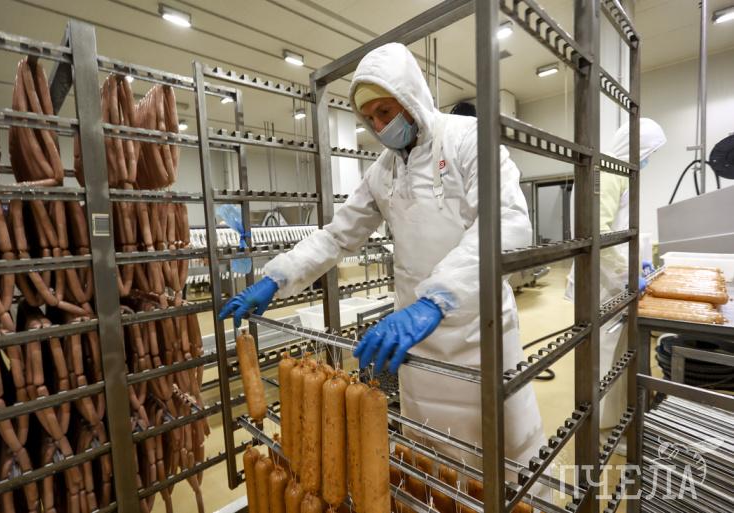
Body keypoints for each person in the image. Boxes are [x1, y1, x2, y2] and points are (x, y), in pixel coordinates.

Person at [219, 43, 546, 469]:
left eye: (385, 112)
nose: (378, 126)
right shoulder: (382, 171)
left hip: (478, 332)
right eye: (369, 118)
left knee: (504, 458)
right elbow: (337, 236)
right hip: (417, 343)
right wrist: (277, 277)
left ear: (410, 98)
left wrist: (438, 298)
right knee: (432, 462)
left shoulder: (468, 139)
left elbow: (506, 223)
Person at [565, 117, 666, 453]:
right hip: (603, 284)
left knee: (619, 357)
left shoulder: (617, 174)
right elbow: (599, 234)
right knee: (607, 361)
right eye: (649, 152)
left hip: (613, 281)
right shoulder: (607, 173)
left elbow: (619, 231)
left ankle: (616, 421)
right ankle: (604, 431)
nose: (648, 159)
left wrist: (636, 264)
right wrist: (627, 274)